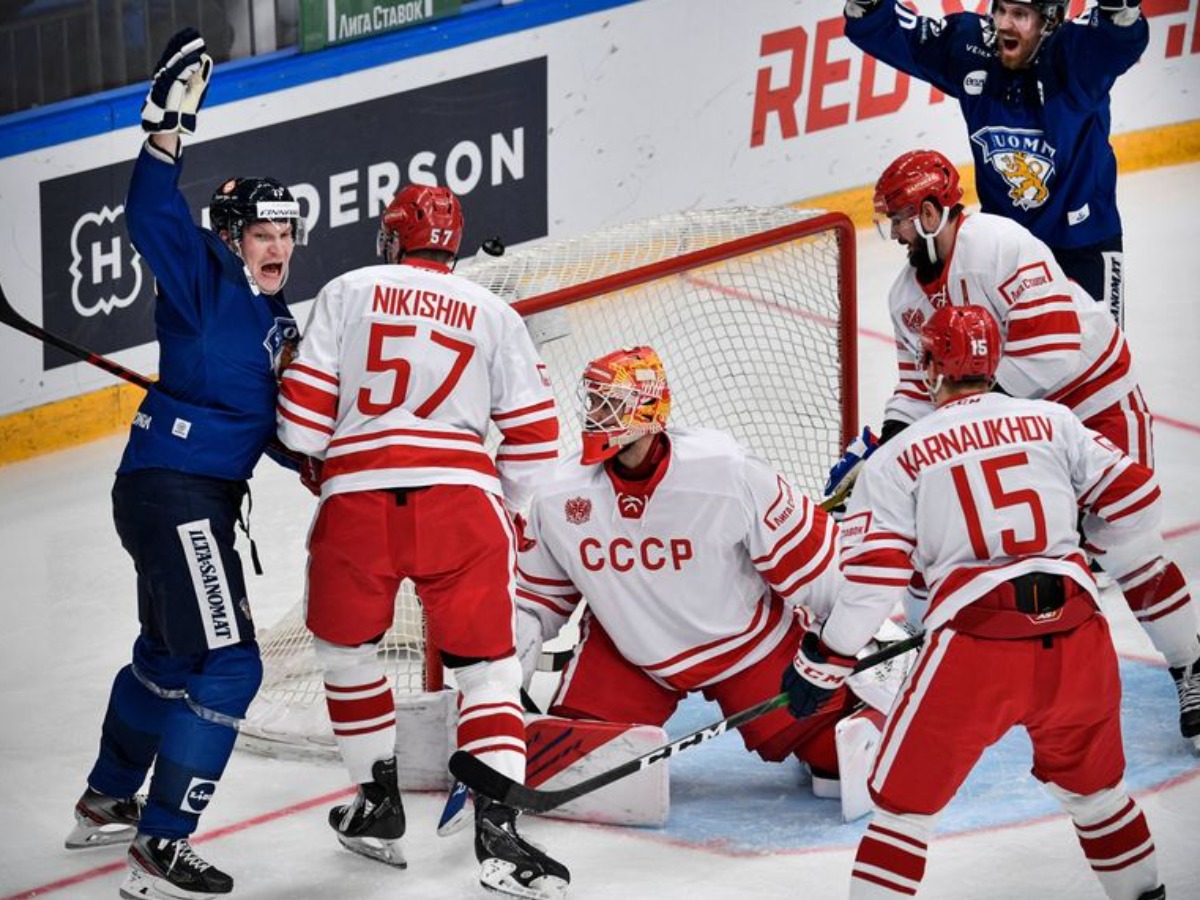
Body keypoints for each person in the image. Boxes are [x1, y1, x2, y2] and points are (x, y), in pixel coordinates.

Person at [785, 305, 1166, 899]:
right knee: (1099, 798)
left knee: (903, 814)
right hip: (1079, 636)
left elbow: (874, 580)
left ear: (933, 366)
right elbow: (1137, 499)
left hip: (977, 650)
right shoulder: (1054, 421)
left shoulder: (898, 455)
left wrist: (825, 658)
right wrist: (1091, 549)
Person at [826, 149, 1200, 750]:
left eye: (897, 218)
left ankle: (1192, 664)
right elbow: (913, 385)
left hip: (1091, 397)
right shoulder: (904, 297)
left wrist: (974, 410)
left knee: (1124, 540)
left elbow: (1054, 349)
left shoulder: (998, 242)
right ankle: (949, 666)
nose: (891, 232)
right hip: (1016, 414)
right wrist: (893, 444)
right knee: (962, 533)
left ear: (929, 211)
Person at [275, 184, 570, 900]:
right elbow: (536, 440)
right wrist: (514, 518)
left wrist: (324, 460)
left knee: (345, 655)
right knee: (490, 673)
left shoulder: (347, 290)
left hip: (357, 508)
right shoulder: (493, 311)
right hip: (461, 506)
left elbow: (302, 431)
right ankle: (499, 835)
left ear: (390, 238)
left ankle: (376, 804)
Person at [66, 28, 306, 900]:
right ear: (232, 235)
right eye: (263, 231)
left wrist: (318, 462)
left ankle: (106, 799)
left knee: (169, 659)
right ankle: (162, 843)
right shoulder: (203, 275)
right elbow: (150, 211)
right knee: (232, 663)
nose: (278, 244)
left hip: (173, 492)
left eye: (287, 231)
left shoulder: (279, 326)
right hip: (178, 497)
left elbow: (281, 430)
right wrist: (167, 129)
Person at [514, 345, 908, 819]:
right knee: (573, 763)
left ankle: (871, 707)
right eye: (594, 401)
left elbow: (814, 566)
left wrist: (853, 644)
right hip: (629, 652)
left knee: (835, 767)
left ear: (647, 407)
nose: (596, 415)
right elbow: (533, 602)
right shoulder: (559, 495)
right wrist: (499, 684)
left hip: (746, 647)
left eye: (610, 402)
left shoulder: (725, 471)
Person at [843, 0, 1148, 325]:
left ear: (1050, 20)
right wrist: (869, 5)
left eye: (1019, 14)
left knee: (1102, 362)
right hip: (1004, 248)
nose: (1004, 23)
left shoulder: (1074, 57)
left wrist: (1119, 11)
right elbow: (901, 35)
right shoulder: (971, 51)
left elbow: (1116, 37)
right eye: (1000, 10)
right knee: (992, 365)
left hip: (1083, 243)